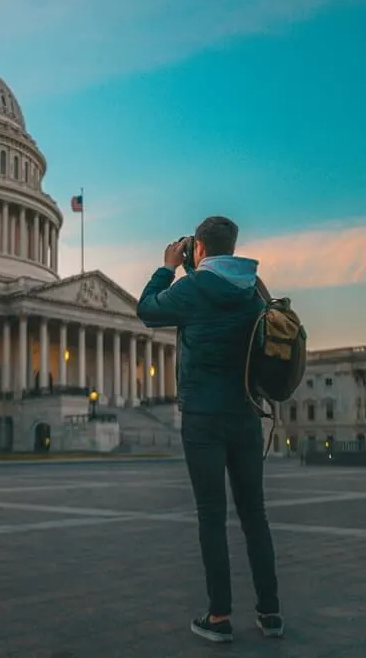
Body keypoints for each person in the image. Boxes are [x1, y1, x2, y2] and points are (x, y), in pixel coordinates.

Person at [136, 216, 284, 644]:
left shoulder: (191, 289)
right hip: (245, 414)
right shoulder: (252, 288)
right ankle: (270, 612)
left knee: (212, 517)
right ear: (232, 248)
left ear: (198, 247)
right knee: (255, 516)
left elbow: (148, 309)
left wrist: (167, 267)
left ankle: (219, 616)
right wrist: (191, 270)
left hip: (203, 416)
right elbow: (215, 296)